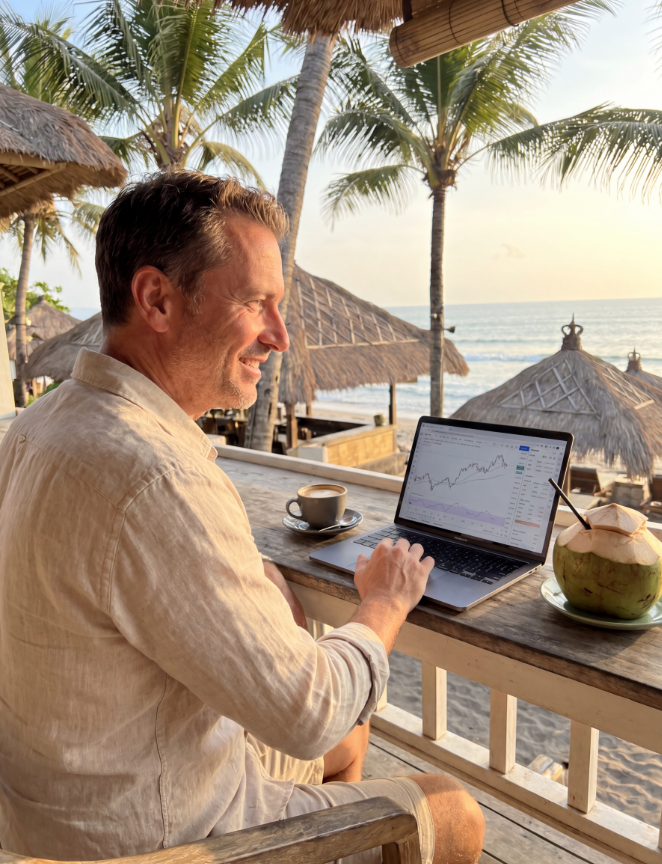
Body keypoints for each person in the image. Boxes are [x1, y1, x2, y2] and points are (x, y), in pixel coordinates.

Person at [0, 171, 484, 863]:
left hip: (51, 810)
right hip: (157, 834)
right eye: (257, 302)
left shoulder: (37, 426)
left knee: (352, 742)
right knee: (452, 809)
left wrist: (251, 584)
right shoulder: (156, 476)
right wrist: (382, 603)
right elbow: (307, 711)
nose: (280, 336)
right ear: (157, 299)